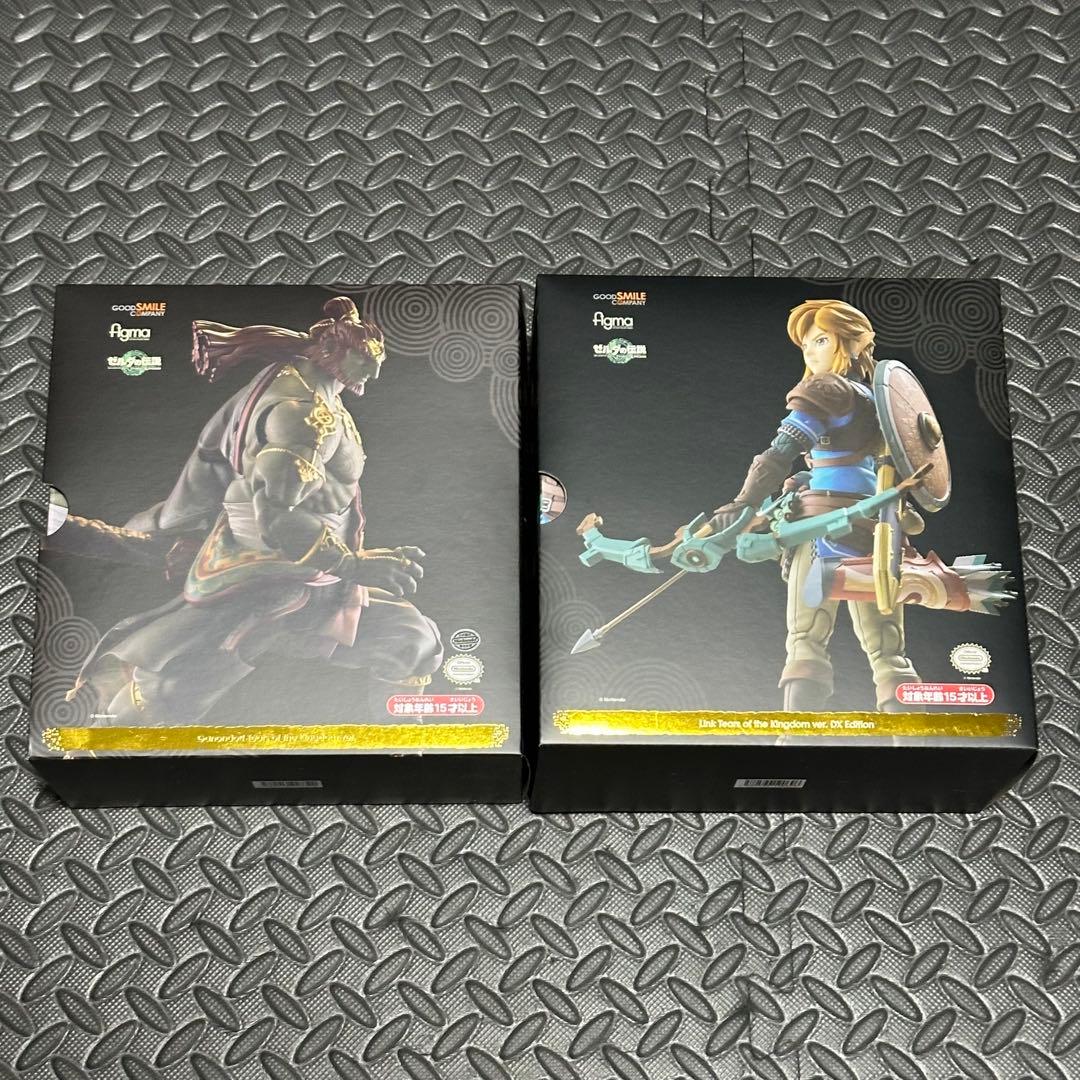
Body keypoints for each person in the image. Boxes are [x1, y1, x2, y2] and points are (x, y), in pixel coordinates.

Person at [66, 296, 443, 725]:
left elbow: (211, 466)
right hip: (270, 577)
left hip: (314, 573)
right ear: (332, 352)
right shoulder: (301, 414)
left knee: (412, 640)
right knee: (170, 692)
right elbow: (277, 517)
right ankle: (104, 741)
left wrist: (163, 525)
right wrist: (353, 564)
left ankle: (400, 743)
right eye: (365, 360)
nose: (374, 372)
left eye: (377, 361)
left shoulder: (300, 387)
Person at [708, 299, 920, 712]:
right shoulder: (881, 400)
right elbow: (857, 465)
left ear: (852, 343)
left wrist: (742, 503)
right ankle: (913, 744)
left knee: (806, 642)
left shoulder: (826, 389)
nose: (811, 352)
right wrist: (801, 483)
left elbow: (779, 453)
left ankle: (794, 740)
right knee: (889, 652)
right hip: (877, 529)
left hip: (823, 526)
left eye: (821, 340)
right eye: (807, 345)